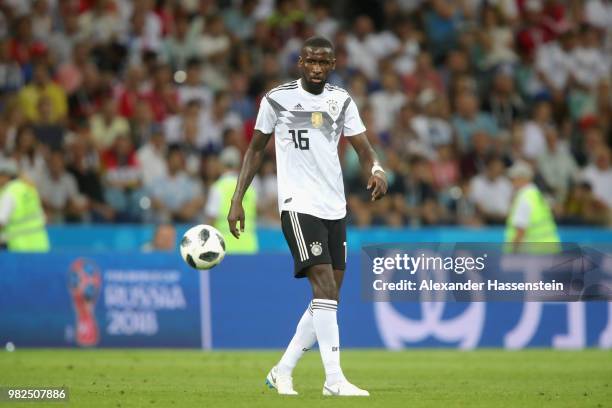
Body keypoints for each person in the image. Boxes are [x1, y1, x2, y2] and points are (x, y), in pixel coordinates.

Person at [227, 36, 388, 397]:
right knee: (325, 290)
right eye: (311, 61)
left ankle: (281, 371)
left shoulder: (340, 100)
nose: (317, 68)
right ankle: (334, 380)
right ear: (300, 62)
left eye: (324, 63)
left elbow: (364, 148)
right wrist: (238, 199)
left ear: (332, 66)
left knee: (327, 299)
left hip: (334, 207)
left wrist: (377, 169)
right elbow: (254, 151)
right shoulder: (277, 98)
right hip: (298, 204)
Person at [205, 146, 258, 253]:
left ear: (220, 165)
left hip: (224, 247)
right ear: (239, 165)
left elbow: (211, 220)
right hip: (249, 246)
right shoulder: (250, 187)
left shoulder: (218, 188)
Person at [504, 160, 560, 253]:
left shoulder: (524, 197)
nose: (512, 182)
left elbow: (520, 231)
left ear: (522, 178)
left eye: (513, 178)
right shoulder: (535, 194)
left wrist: (512, 252)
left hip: (535, 253)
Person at [0, 158, 50, 252]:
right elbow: (44, 217)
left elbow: (1, 221)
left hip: (19, 246)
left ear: (6, 176)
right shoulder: (29, 188)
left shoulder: (9, 193)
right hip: (40, 244)